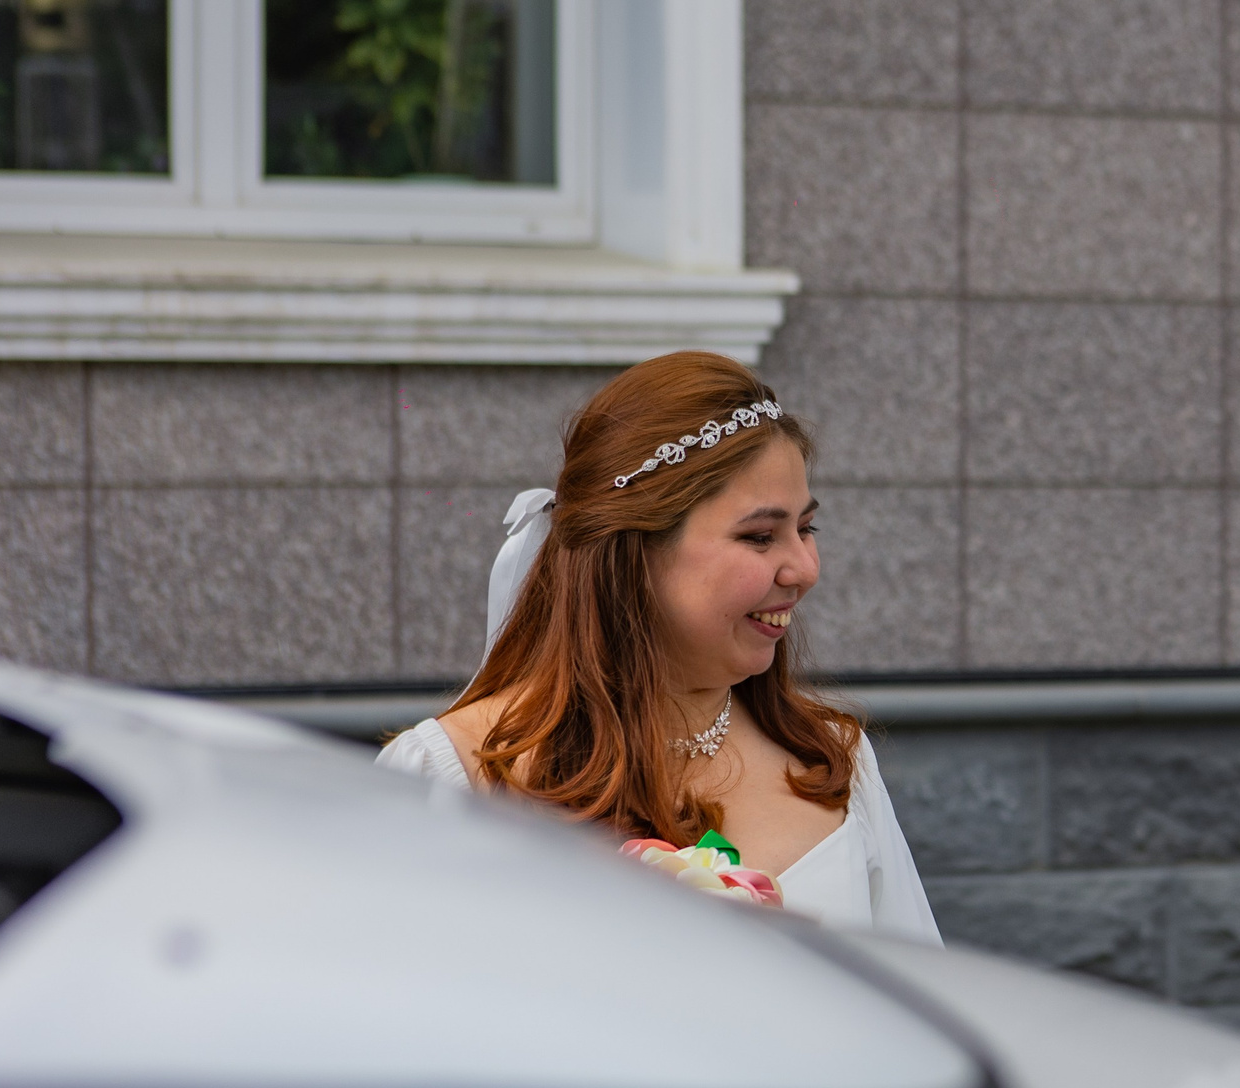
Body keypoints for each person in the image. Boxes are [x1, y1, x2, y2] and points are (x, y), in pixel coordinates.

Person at [377, 351, 939, 943]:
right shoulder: (449, 779)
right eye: (759, 537)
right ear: (635, 553)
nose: (804, 568)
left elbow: (923, 1003)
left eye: (806, 529)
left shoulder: (834, 762)